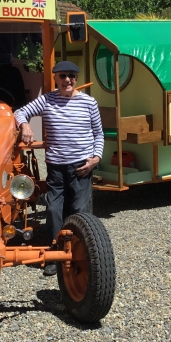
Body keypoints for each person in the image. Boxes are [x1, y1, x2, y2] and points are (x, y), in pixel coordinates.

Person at [14, 60, 104, 276]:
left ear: (76, 78)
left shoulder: (89, 103)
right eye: (63, 76)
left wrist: (96, 159)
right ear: (55, 78)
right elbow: (19, 112)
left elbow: (99, 133)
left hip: (82, 166)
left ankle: (80, 255)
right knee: (54, 210)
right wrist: (25, 124)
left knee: (79, 211)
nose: (68, 80)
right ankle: (55, 255)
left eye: (72, 75)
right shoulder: (46, 100)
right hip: (56, 166)